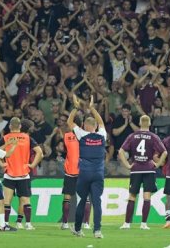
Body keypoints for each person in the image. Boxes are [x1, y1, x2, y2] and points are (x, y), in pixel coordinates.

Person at [118, 115, 167, 230]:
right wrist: (158, 164)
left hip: (136, 169)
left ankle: (127, 224)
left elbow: (121, 151)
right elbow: (164, 152)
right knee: (147, 196)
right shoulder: (153, 136)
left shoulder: (133, 136)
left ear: (140, 123)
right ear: (149, 124)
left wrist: (128, 165)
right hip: (149, 169)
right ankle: (143, 224)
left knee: (132, 196)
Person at [69, 95, 107, 239]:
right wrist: (92, 108)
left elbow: (70, 122)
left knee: (81, 201)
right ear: (95, 126)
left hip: (84, 173)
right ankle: (97, 231)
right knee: (97, 202)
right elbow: (102, 122)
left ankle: (78, 230)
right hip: (98, 173)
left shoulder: (81, 134)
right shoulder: (102, 135)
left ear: (85, 125)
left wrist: (76, 108)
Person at [0, 117, 43, 230]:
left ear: (9, 126)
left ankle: (5, 224)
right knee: (25, 200)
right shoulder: (28, 138)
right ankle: (26, 224)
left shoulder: (6, 138)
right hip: (23, 173)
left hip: (9, 174)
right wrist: (32, 165)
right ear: (20, 126)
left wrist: (1, 163)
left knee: (7, 201)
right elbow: (40, 153)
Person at [60, 110, 80, 230]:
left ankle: (65, 223)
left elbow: (65, 148)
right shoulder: (85, 136)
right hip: (82, 171)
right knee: (85, 198)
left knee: (67, 198)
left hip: (70, 171)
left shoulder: (67, 136)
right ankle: (86, 223)